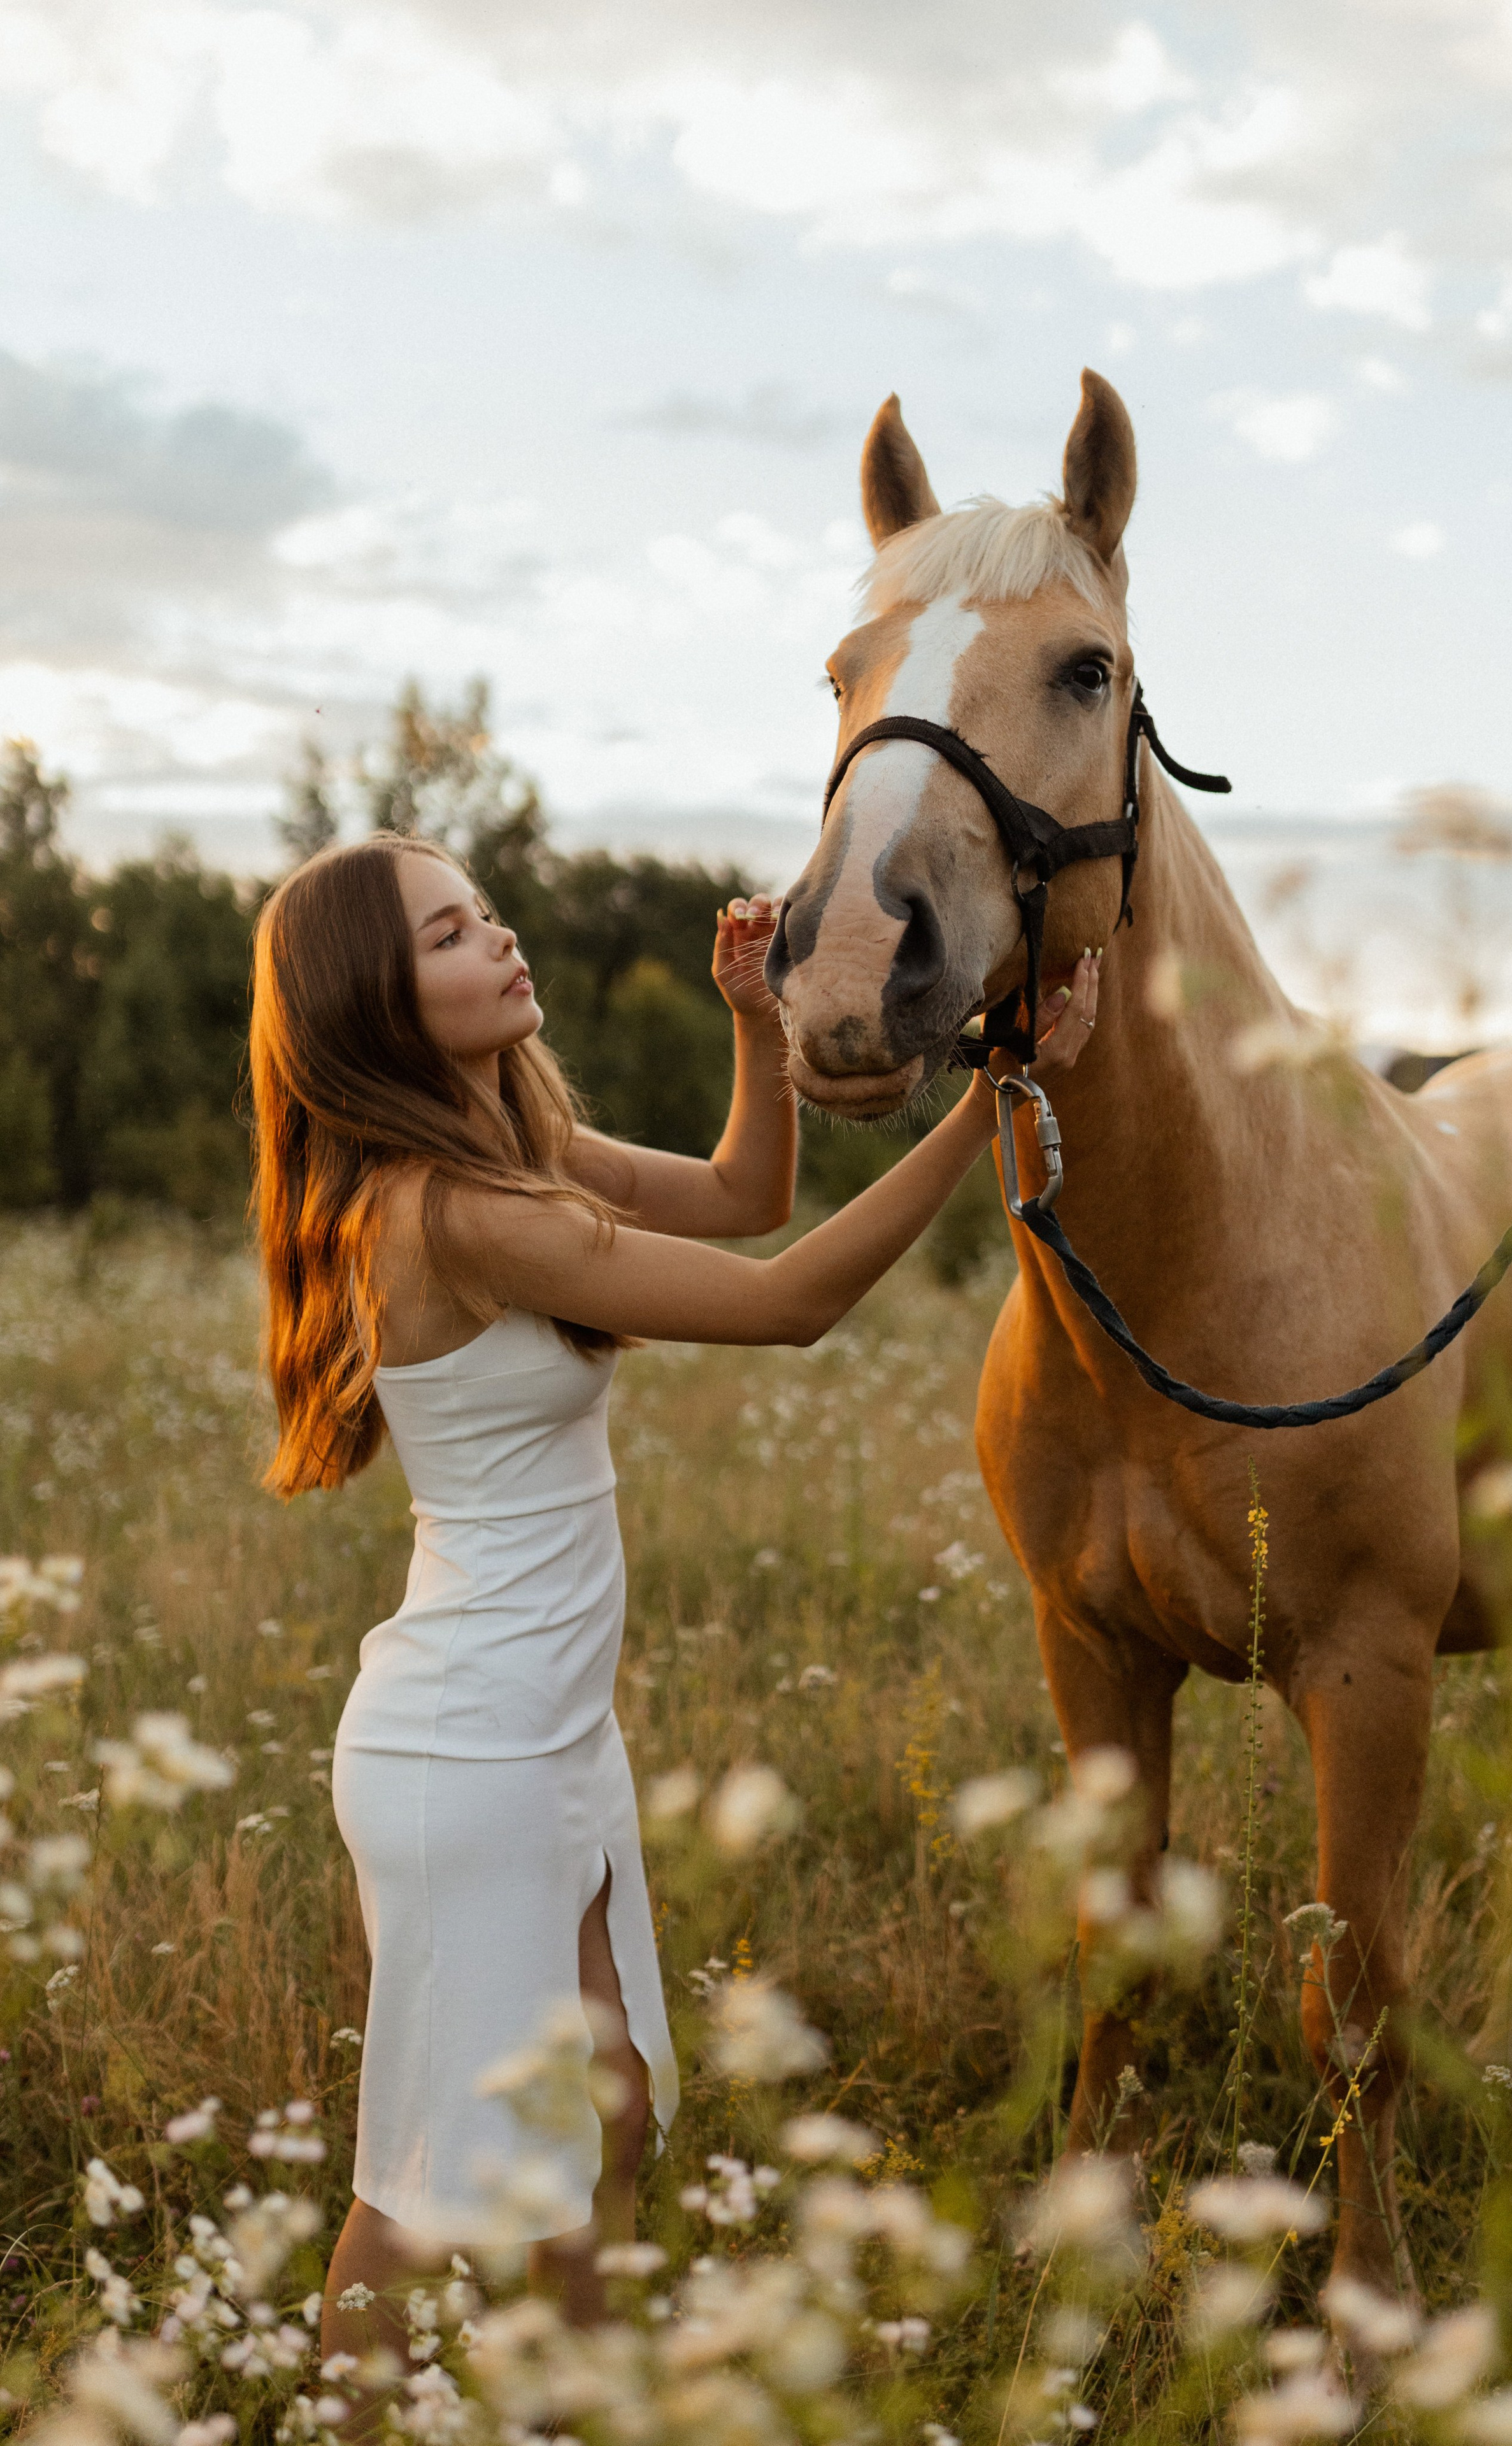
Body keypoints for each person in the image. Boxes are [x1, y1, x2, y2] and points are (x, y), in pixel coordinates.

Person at [246, 830, 1099, 2363]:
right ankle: (330, 2417)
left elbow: (737, 1199)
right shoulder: (456, 1211)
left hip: (542, 1735)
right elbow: (788, 1305)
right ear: (376, 999)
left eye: (489, 911)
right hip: (473, 1755)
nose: (502, 939)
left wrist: (752, 1030)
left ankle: (593, 2398)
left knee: (614, 2109)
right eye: (451, 935)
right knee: (424, 2186)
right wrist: (990, 1102)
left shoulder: (511, 1158)